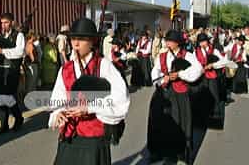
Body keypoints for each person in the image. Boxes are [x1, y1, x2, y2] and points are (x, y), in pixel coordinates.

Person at [48, 18, 130, 165]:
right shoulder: (65, 69)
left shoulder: (104, 66)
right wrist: (58, 113)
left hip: (93, 140)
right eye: (73, 39)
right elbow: (58, 98)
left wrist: (89, 108)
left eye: (81, 39)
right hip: (69, 137)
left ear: (92, 41)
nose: (76, 44)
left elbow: (120, 100)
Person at [148, 29, 202, 164]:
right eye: (167, 40)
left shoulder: (188, 55)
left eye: (171, 41)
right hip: (164, 92)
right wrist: (161, 81)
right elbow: (155, 71)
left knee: (181, 121)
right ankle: (159, 151)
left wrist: (180, 75)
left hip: (179, 93)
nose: (168, 43)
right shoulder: (162, 56)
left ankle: (181, 152)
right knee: (158, 119)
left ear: (178, 43)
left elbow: (198, 70)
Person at [0, 12, 24, 135]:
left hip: (11, 70)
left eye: (6, 22)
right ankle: (4, 124)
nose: (3, 25)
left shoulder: (19, 35)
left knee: (8, 96)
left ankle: (18, 117)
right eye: (2, 23)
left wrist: (3, 51)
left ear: (11, 22)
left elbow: (20, 52)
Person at [192, 33, 228, 128]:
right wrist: (199, 69)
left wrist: (213, 65)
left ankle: (214, 122)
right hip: (201, 77)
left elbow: (224, 61)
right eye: (200, 42)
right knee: (201, 97)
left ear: (207, 41)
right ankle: (200, 122)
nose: (202, 44)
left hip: (212, 76)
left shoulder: (214, 50)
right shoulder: (195, 52)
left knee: (213, 96)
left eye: (204, 41)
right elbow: (193, 64)